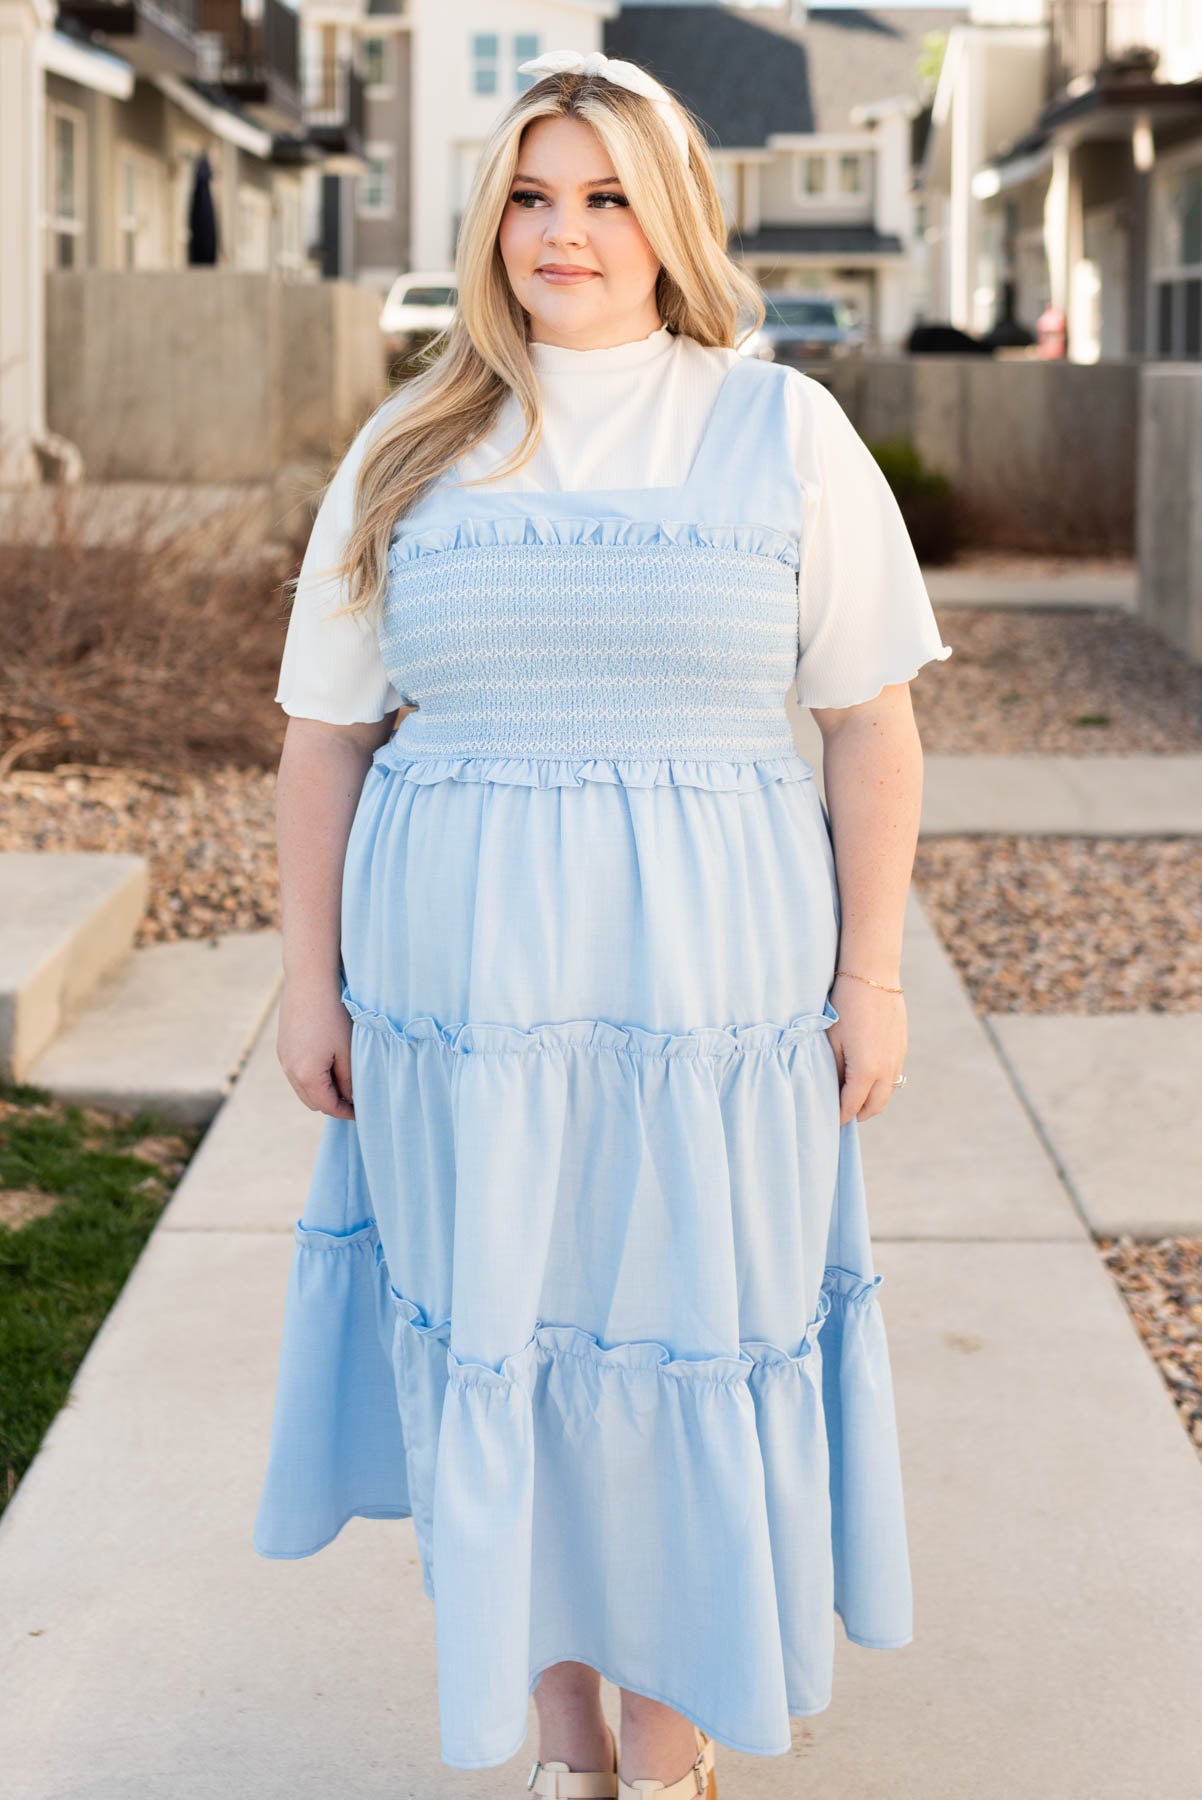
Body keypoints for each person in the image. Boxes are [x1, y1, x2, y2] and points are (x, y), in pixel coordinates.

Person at [252, 47, 953, 1800]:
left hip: (714, 997)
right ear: (494, 218)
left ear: (671, 216)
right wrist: (302, 982)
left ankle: (672, 1743)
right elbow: (325, 735)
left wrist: (869, 974)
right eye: (533, 193)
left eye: (608, 192)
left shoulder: (777, 425)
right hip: (458, 996)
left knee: (688, 1336)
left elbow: (870, 722)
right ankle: (567, 1747)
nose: (566, 232)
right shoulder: (409, 446)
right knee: (514, 1341)